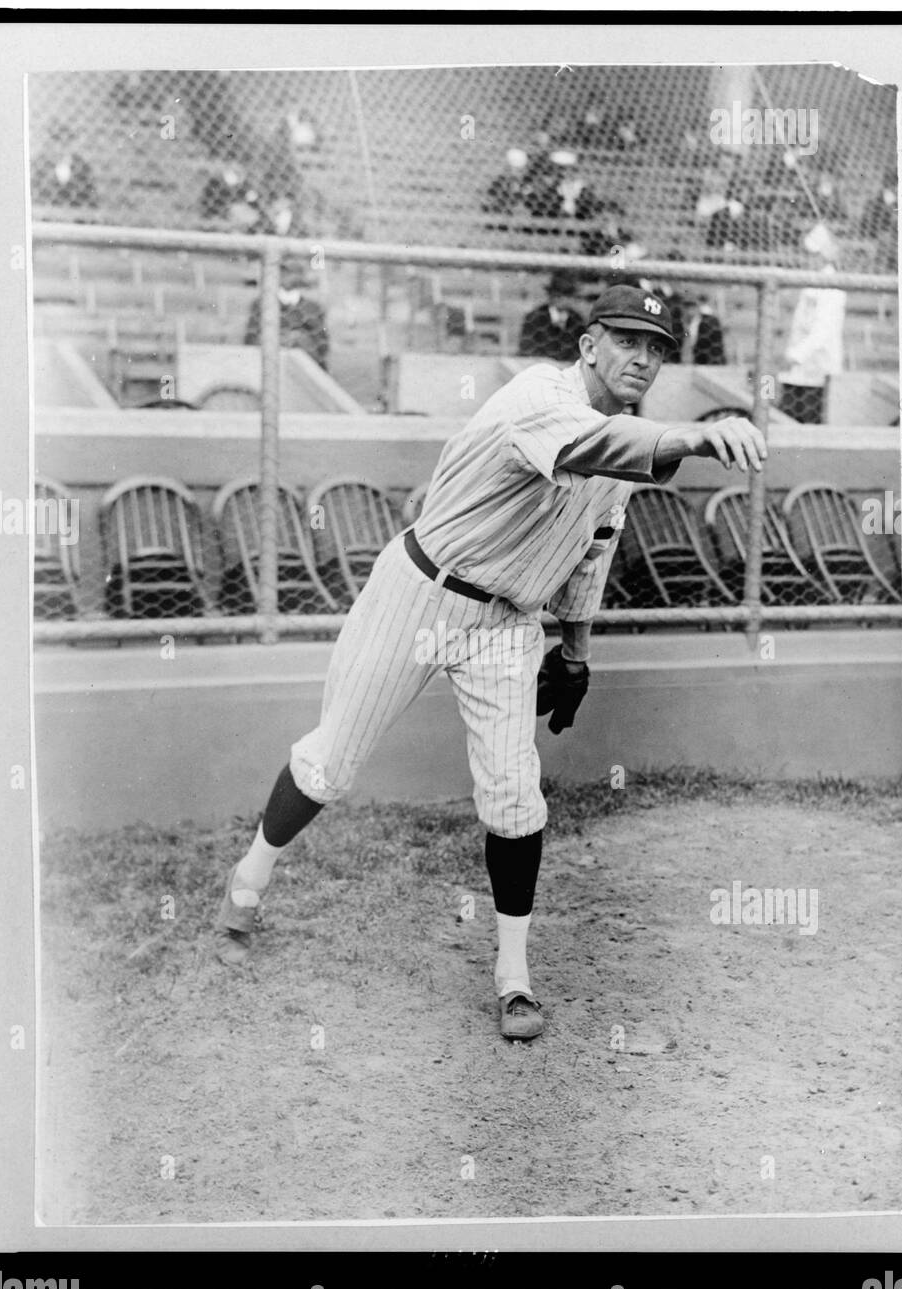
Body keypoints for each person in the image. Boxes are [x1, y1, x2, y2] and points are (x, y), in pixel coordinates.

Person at [212, 284, 767, 1040]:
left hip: (506, 622)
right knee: (329, 766)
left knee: (514, 797)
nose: (642, 356)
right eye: (627, 339)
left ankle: (514, 979)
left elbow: (589, 555)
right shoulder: (539, 395)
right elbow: (589, 448)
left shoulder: (626, 443)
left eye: (658, 348)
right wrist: (695, 438)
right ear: (588, 345)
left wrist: (573, 653)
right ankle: (250, 877)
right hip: (418, 591)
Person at [778, 223, 846, 425]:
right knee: (783, 417)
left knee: (806, 423)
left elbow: (823, 331)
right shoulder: (812, 281)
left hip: (815, 368)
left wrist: (794, 356)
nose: (805, 258)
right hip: (795, 369)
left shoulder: (831, 285)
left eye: (811, 254)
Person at [243, 261, 329, 371]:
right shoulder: (262, 304)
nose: (285, 276)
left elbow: (322, 346)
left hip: (302, 366)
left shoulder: (312, 307)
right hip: (269, 362)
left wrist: (298, 337)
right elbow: (250, 340)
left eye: (290, 272)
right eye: (282, 272)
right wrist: (277, 339)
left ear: (300, 276)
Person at [518, 271, 586, 360]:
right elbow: (526, 348)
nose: (560, 299)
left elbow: (581, 350)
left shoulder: (577, 320)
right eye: (557, 295)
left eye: (566, 295)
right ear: (550, 295)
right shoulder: (535, 318)